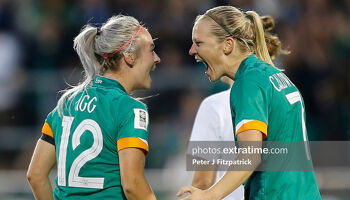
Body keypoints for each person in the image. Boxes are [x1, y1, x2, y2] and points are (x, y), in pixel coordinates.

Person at [178, 6, 321, 200]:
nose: (192, 50)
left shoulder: (248, 83)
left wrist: (208, 196)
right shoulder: (275, 77)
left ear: (228, 45)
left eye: (199, 43)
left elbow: (250, 155)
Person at [27, 15, 160, 200]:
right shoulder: (131, 109)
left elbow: (35, 175)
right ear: (129, 56)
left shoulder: (64, 106)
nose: (157, 58)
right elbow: (133, 185)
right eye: (151, 50)